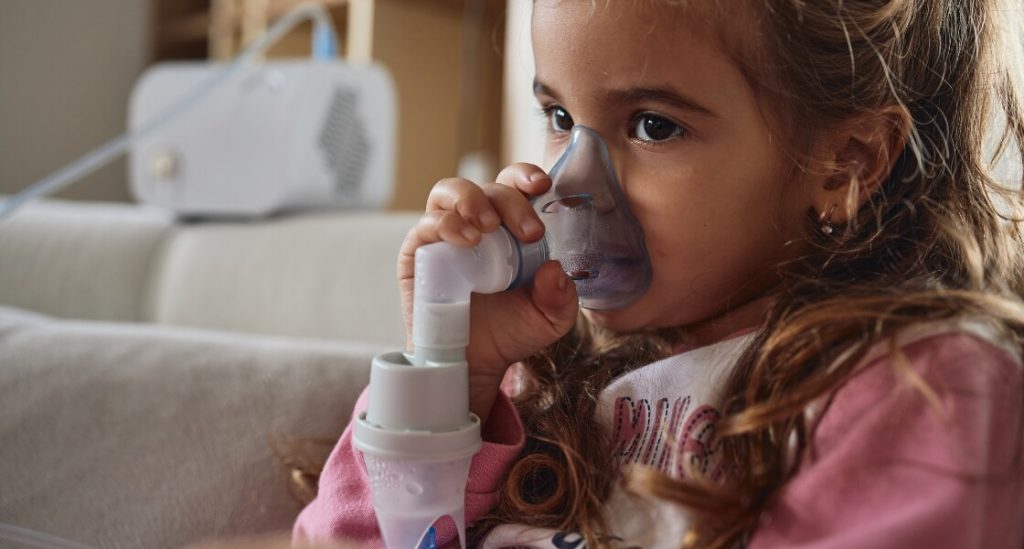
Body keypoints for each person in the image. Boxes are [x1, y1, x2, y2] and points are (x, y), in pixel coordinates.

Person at [293, 0, 1024, 547]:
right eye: (557, 113)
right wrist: (446, 369)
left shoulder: (917, 385)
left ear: (847, 162)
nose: (565, 181)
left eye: (653, 125)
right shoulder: (534, 379)